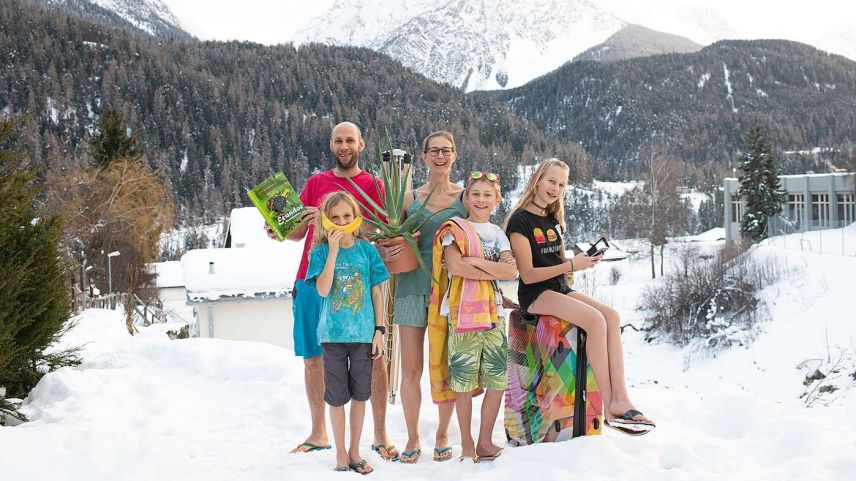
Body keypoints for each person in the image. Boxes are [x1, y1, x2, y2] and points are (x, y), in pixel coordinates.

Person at [269, 122, 398, 460]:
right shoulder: (316, 183)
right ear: (331, 144)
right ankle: (318, 432)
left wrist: (337, 222)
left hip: (358, 283)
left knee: (375, 358)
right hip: (312, 277)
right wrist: (278, 229)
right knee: (313, 357)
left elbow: (385, 231)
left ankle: (380, 434)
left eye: (349, 140)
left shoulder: (375, 186)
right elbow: (296, 232)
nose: (344, 146)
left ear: (361, 144)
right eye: (338, 140)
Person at [505, 158, 656, 435]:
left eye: (562, 184)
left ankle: (622, 398)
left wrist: (581, 261)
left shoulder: (553, 220)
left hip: (559, 287)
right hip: (536, 293)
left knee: (611, 316)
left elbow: (558, 263)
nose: (556, 188)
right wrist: (572, 265)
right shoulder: (520, 221)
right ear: (537, 180)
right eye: (552, 181)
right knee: (595, 320)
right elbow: (528, 274)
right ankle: (610, 406)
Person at [377, 131, 465, 463]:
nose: (440, 156)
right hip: (412, 288)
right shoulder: (407, 198)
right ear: (424, 156)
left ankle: (442, 433)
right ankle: (413, 437)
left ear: (454, 155)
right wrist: (390, 244)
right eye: (434, 151)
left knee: (446, 368)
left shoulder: (465, 198)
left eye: (447, 150)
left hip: (451, 292)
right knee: (411, 370)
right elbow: (387, 237)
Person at [428, 171, 517, 462]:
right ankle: (467, 444)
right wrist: (491, 268)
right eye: (475, 194)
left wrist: (475, 261)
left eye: (487, 195)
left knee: (497, 380)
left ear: (496, 200)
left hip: (494, 313)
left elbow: (511, 271)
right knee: (463, 383)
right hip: (462, 313)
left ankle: (485, 442)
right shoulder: (454, 229)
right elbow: (456, 267)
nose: (481, 200)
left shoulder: (498, 233)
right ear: (466, 197)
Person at [305, 191, 390, 474]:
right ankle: (340, 451)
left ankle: (354, 450)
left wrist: (379, 330)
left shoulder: (368, 251)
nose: (341, 222)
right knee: (336, 397)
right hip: (333, 336)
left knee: (360, 395)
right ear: (326, 221)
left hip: (363, 335)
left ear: (356, 217)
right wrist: (332, 251)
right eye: (335, 217)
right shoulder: (319, 252)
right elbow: (323, 290)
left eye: (346, 216)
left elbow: (377, 293)